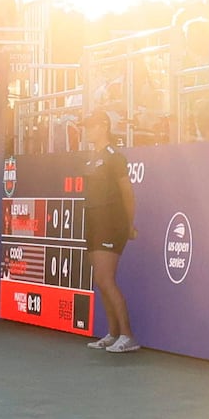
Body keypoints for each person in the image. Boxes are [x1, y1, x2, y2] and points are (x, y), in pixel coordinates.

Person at [82, 110, 140, 353]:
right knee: (100, 281)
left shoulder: (115, 157)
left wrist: (128, 224)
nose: (86, 130)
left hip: (111, 223)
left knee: (106, 279)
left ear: (103, 126)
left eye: (90, 126)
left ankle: (128, 337)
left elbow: (127, 193)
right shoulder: (90, 158)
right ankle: (113, 333)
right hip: (94, 222)